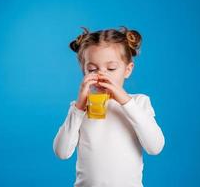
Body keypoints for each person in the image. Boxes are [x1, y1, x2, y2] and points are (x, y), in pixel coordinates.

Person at [53, 26, 165, 187]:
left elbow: (155, 147)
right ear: (84, 71)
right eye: (92, 69)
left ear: (127, 70)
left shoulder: (139, 103)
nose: (101, 75)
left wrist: (125, 102)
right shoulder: (79, 108)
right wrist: (78, 108)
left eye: (111, 68)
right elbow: (61, 152)